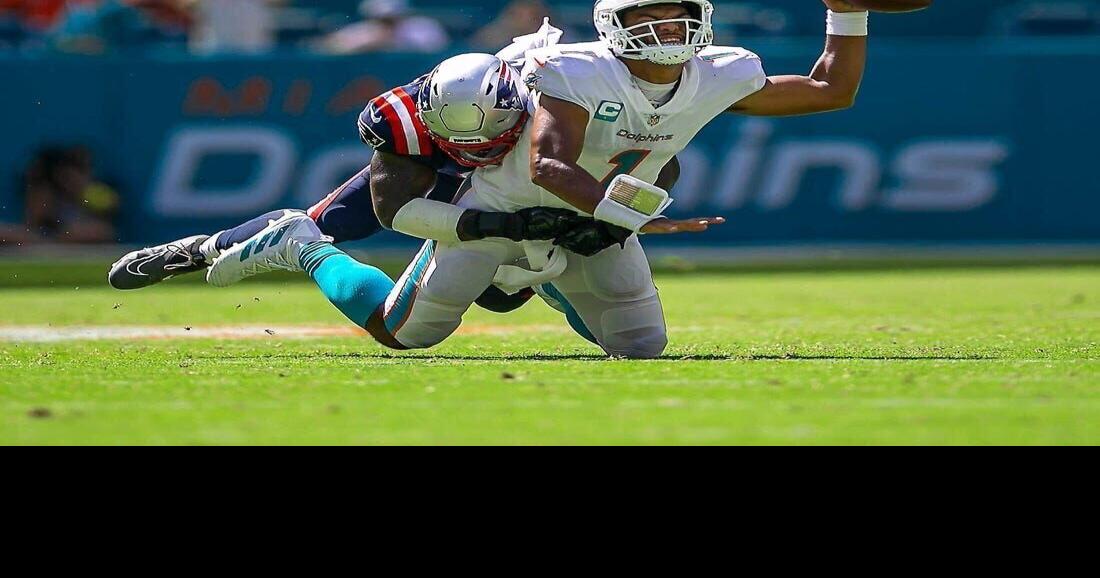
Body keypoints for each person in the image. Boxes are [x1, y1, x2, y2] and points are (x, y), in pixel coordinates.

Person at [208, 0, 875, 358]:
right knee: (408, 334)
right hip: (502, 201)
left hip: (595, 215)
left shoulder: (723, 71)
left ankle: (552, 279)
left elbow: (829, 89)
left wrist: (847, 13)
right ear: (616, 24)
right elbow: (548, 163)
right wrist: (630, 213)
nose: (666, 26)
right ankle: (305, 244)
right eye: (647, 15)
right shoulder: (576, 69)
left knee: (640, 348)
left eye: (675, 12)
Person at [109, 21, 675, 317]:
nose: (475, 147)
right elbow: (393, 211)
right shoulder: (405, 123)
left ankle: (541, 281)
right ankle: (201, 249)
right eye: (460, 137)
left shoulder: (555, 96)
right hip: (439, 176)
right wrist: (507, 229)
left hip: (520, 176)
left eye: (491, 136)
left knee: (501, 294)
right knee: (330, 224)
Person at [316, 0, 449, 55]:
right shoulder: (364, 31)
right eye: (383, 20)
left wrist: (393, 43)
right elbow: (329, 46)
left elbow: (438, 50)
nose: (388, 24)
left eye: (391, 19)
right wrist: (366, 46)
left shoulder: (423, 28)